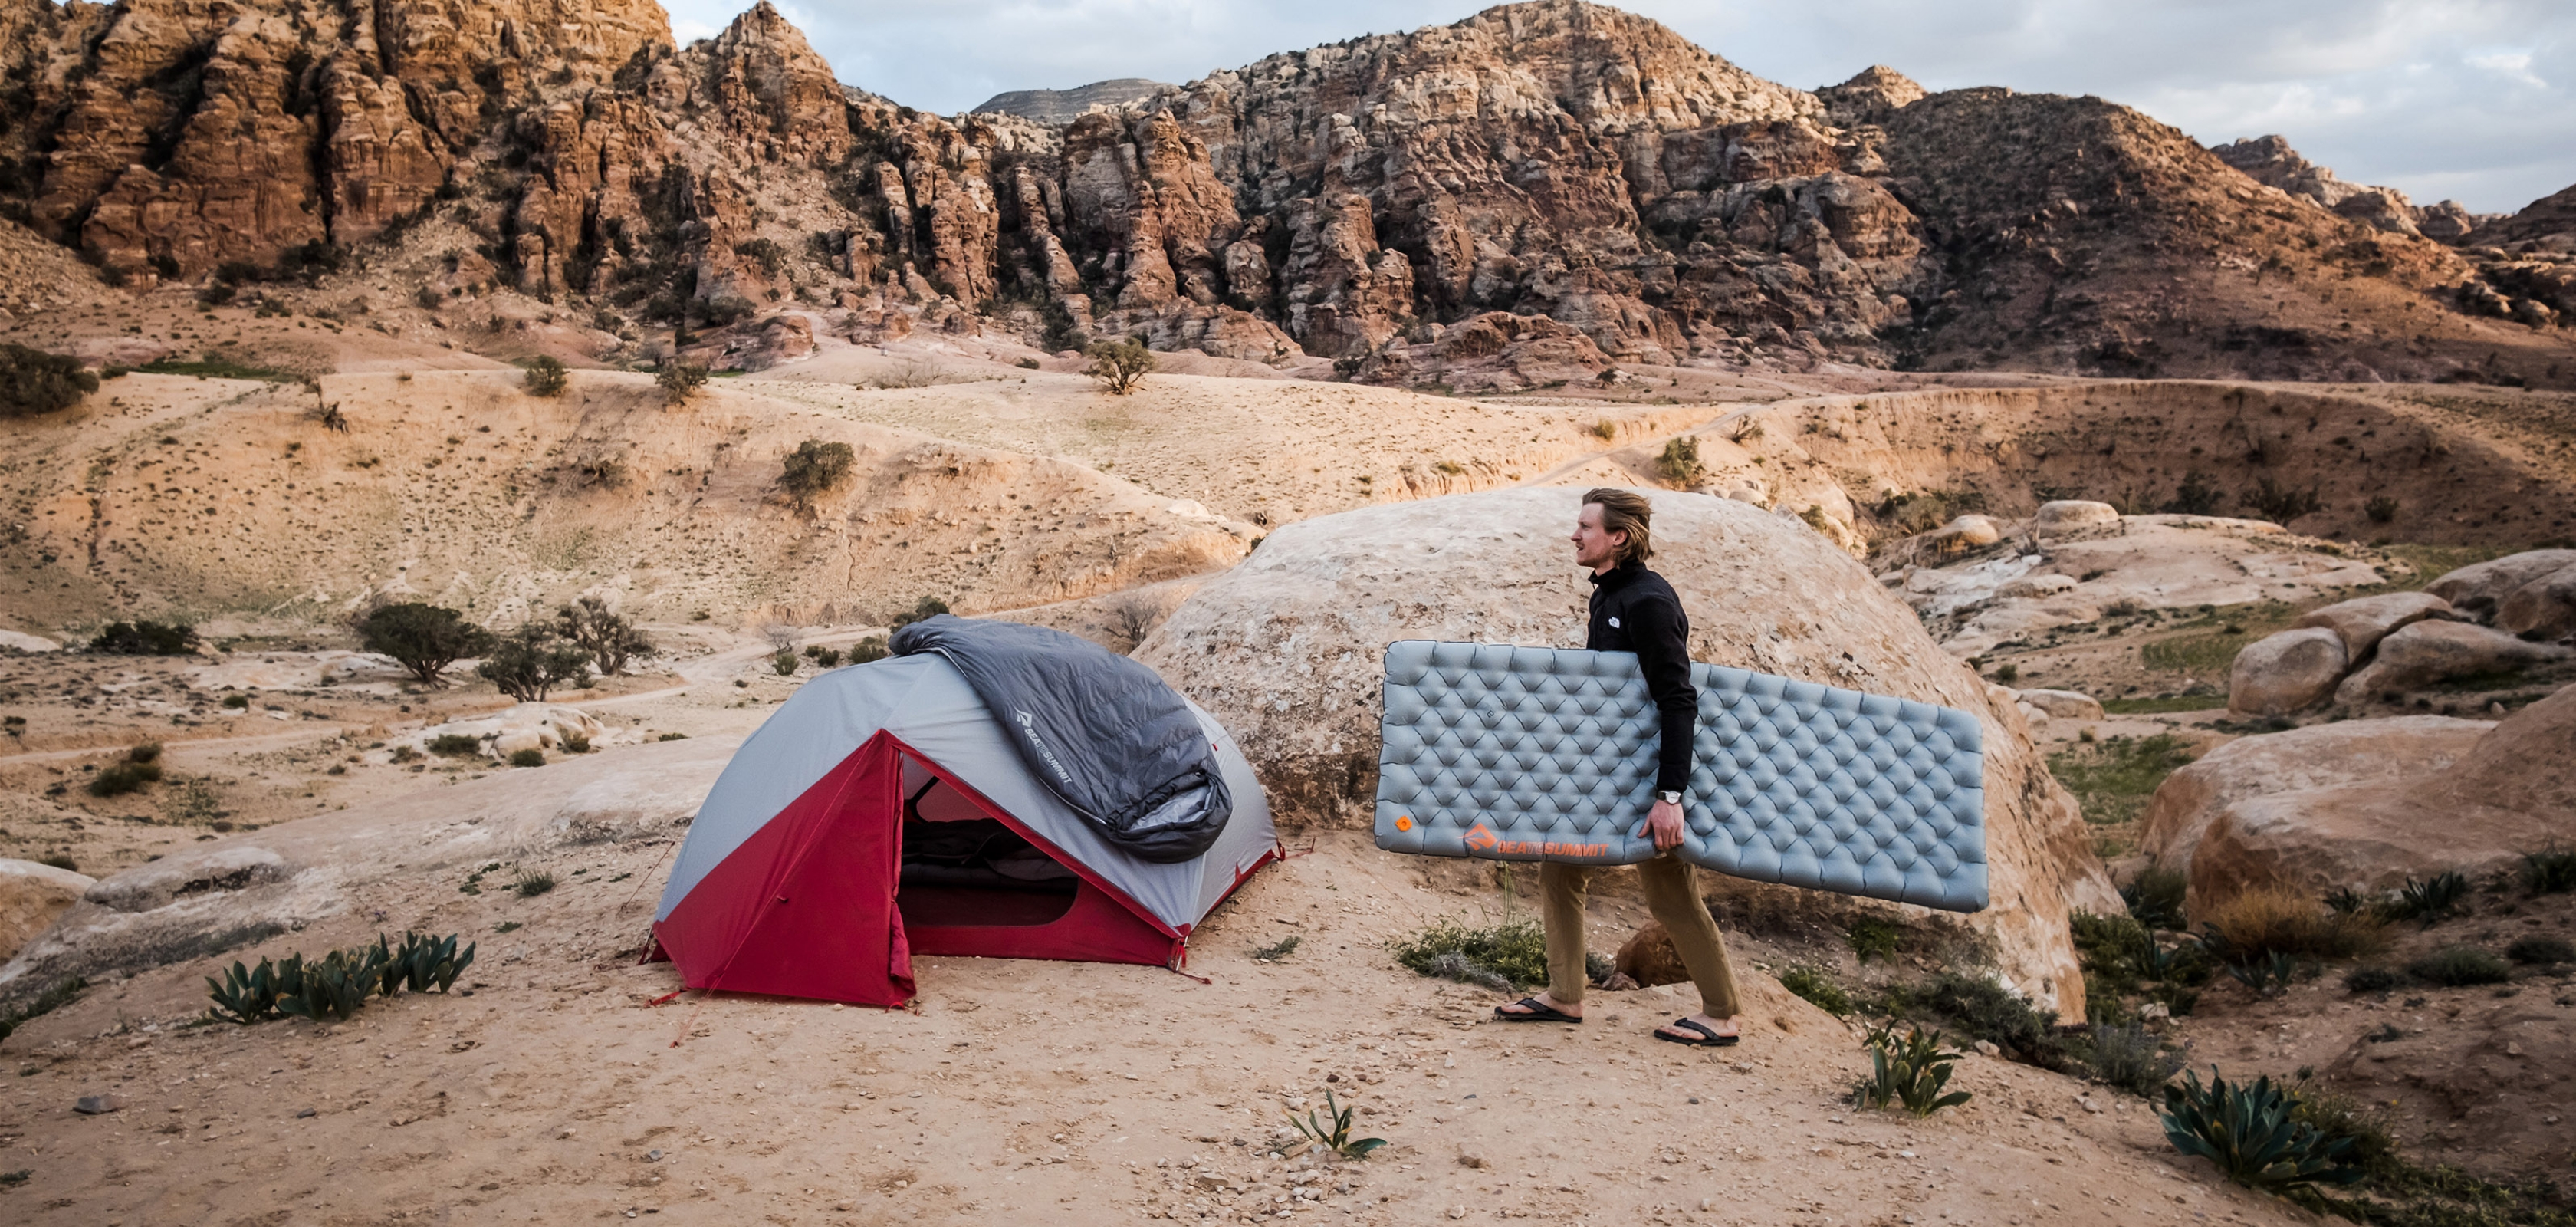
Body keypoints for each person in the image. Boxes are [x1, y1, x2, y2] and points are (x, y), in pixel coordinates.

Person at [1493, 488, 1743, 1046]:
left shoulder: (1648, 602)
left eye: (1586, 527)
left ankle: (1723, 1012)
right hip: (1608, 777)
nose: (1575, 535)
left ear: (1618, 538)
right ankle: (1565, 996)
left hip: (1651, 781)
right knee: (1559, 870)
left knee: (1672, 898)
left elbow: (1678, 700)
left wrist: (1670, 796)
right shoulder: (1609, 596)